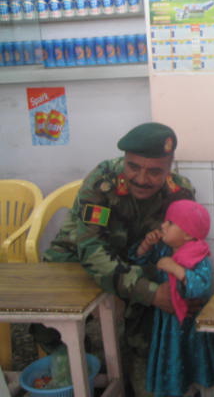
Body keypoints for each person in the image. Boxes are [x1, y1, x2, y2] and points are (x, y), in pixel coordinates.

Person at [38, 122, 196, 397]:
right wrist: (149, 292)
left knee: (155, 309)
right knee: (47, 313)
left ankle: (144, 369)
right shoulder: (103, 183)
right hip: (77, 255)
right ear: (124, 159)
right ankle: (71, 366)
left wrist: (176, 286)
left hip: (136, 257)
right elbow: (91, 250)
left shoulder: (179, 192)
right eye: (133, 166)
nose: (141, 179)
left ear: (170, 167)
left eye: (155, 171)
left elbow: (185, 248)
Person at [132, 199, 214, 397]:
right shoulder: (163, 250)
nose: (163, 226)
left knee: (197, 363)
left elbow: (201, 287)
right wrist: (146, 245)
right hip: (169, 325)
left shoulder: (199, 257)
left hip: (192, 327)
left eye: (170, 223)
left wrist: (176, 269)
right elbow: (139, 262)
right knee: (173, 361)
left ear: (188, 234)